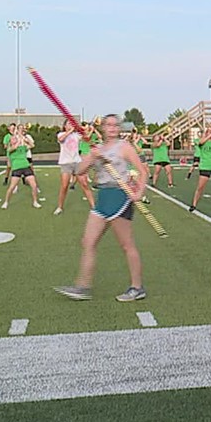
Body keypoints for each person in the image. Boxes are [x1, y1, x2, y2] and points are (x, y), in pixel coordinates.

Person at [55, 114, 149, 302]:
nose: (113, 128)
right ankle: (82, 286)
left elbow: (142, 171)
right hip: (102, 197)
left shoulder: (124, 147)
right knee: (88, 242)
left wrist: (139, 191)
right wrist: (92, 157)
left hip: (119, 196)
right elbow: (79, 170)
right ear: (103, 128)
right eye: (109, 125)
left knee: (126, 244)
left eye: (116, 125)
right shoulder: (97, 148)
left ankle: (137, 287)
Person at [55, 120, 96, 215]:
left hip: (77, 162)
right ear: (64, 126)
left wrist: (90, 130)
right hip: (66, 163)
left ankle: (94, 207)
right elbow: (61, 139)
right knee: (64, 186)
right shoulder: (61, 134)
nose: (71, 125)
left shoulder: (76, 135)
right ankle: (60, 207)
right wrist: (70, 131)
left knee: (84, 184)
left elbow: (86, 138)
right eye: (68, 124)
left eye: (72, 124)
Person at [1, 125, 41, 209]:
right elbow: (14, 147)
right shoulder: (10, 149)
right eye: (13, 139)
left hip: (26, 166)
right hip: (17, 168)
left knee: (34, 185)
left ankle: (35, 201)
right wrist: (19, 139)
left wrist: (26, 139)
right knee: (12, 187)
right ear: (10, 142)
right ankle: (6, 202)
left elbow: (32, 145)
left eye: (15, 138)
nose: (14, 139)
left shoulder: (22, 147)